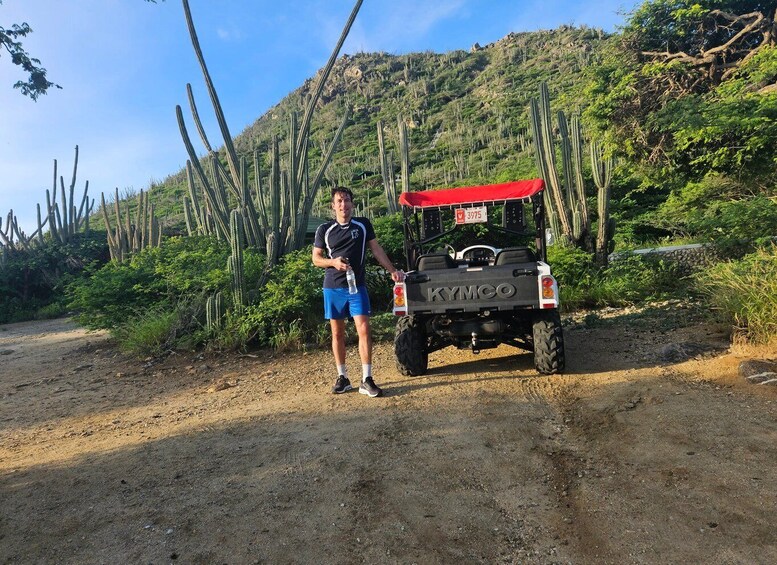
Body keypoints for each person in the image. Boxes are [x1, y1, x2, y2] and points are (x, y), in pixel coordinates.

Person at [312, 186, 405, 397]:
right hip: (333, 288)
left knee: (364, 329)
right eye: (339, 201)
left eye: (346, 200)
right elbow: (316, 259)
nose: (343, 205)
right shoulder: (324, 229)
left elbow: (376, 249)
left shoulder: (363, 225)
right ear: (333, 206)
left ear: (352, 204)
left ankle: (367, 379)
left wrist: (392, 270)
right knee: (337, 333)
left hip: (357, 287)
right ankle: (342, 377)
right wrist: (333, 262)